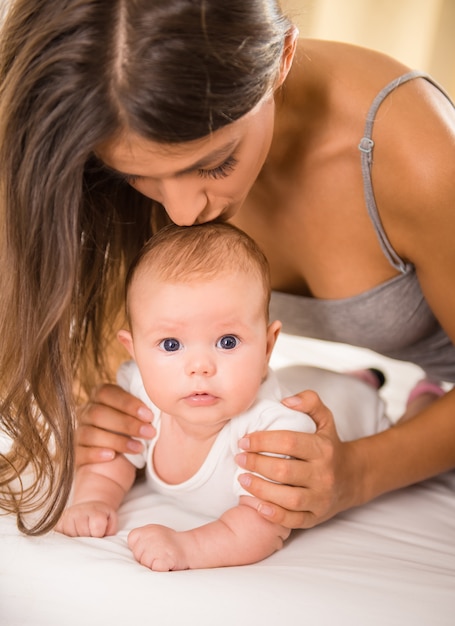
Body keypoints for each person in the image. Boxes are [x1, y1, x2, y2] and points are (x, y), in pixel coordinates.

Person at [0, 0, 453, 537]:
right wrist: (111, 415)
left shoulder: (421, 157)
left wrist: (357, 473)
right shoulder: (122, 127)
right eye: (137, 177)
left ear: (283, 57)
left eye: (214, 163)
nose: (182, 214)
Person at [55, 221, 389, 569]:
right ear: (135, 350)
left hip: (354, 405)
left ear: (268, 346)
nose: (199, 367)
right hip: (302, 379)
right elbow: (114, 457)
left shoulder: (273, 430)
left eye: (227, 342)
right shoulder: (141, 394)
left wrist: (187, 549)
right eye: (171, 344)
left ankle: (392, 390)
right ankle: (361, 377)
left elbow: (264, 525)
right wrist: (93, 500)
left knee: (355, 395)